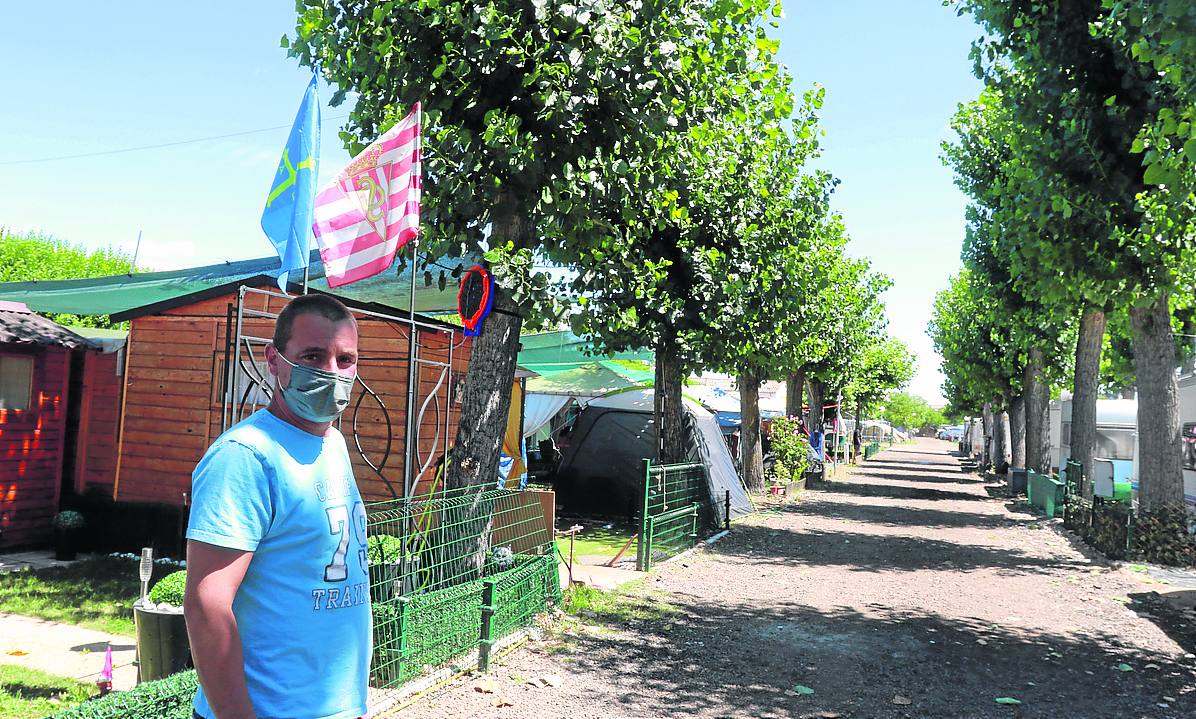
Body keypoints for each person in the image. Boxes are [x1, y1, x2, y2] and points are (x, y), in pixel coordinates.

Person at [184, 294, 369, 719]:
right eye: (312, 355)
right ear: (274, 359)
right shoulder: (244, 456)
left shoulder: (333, 443)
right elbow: (206, 604)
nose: (331, 371)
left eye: (345, 359)